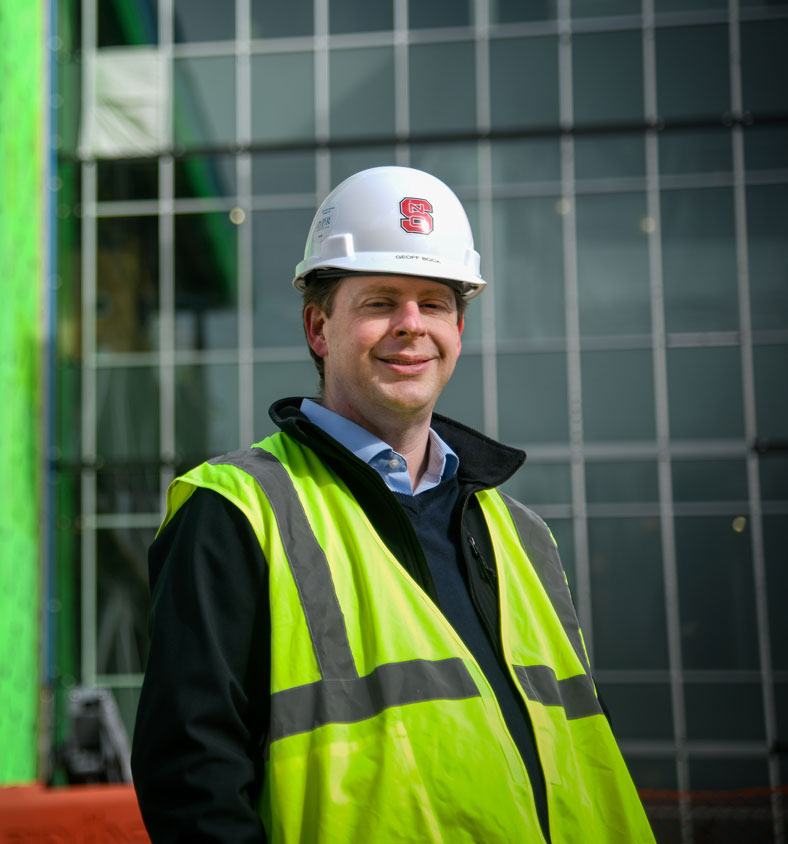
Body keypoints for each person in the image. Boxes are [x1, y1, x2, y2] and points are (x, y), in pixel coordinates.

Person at [131, 166, 654, 843]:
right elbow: (191, 784)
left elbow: (589, 767)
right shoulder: (234, 512)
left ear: (458, 329)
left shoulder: (524, 538)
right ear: (319, 328)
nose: (411, 326)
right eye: (381, 302)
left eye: (433, 304)